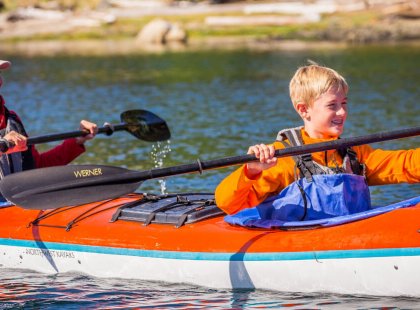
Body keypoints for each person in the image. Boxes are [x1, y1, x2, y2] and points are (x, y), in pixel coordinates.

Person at [215, 62, 419, 222]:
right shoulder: (281, 158)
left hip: (349, 240)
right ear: (303, 109)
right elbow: (228, 203)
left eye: (344, 103)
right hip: (297, 247)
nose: (342, 112)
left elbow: (404, 164)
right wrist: (252, 171)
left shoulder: (354, 154)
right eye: (332, 105)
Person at [0, 59, 98, 179]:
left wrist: (76, 140)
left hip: (20, 195)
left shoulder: (12, 119)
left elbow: (38, 166)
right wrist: (2, 145)